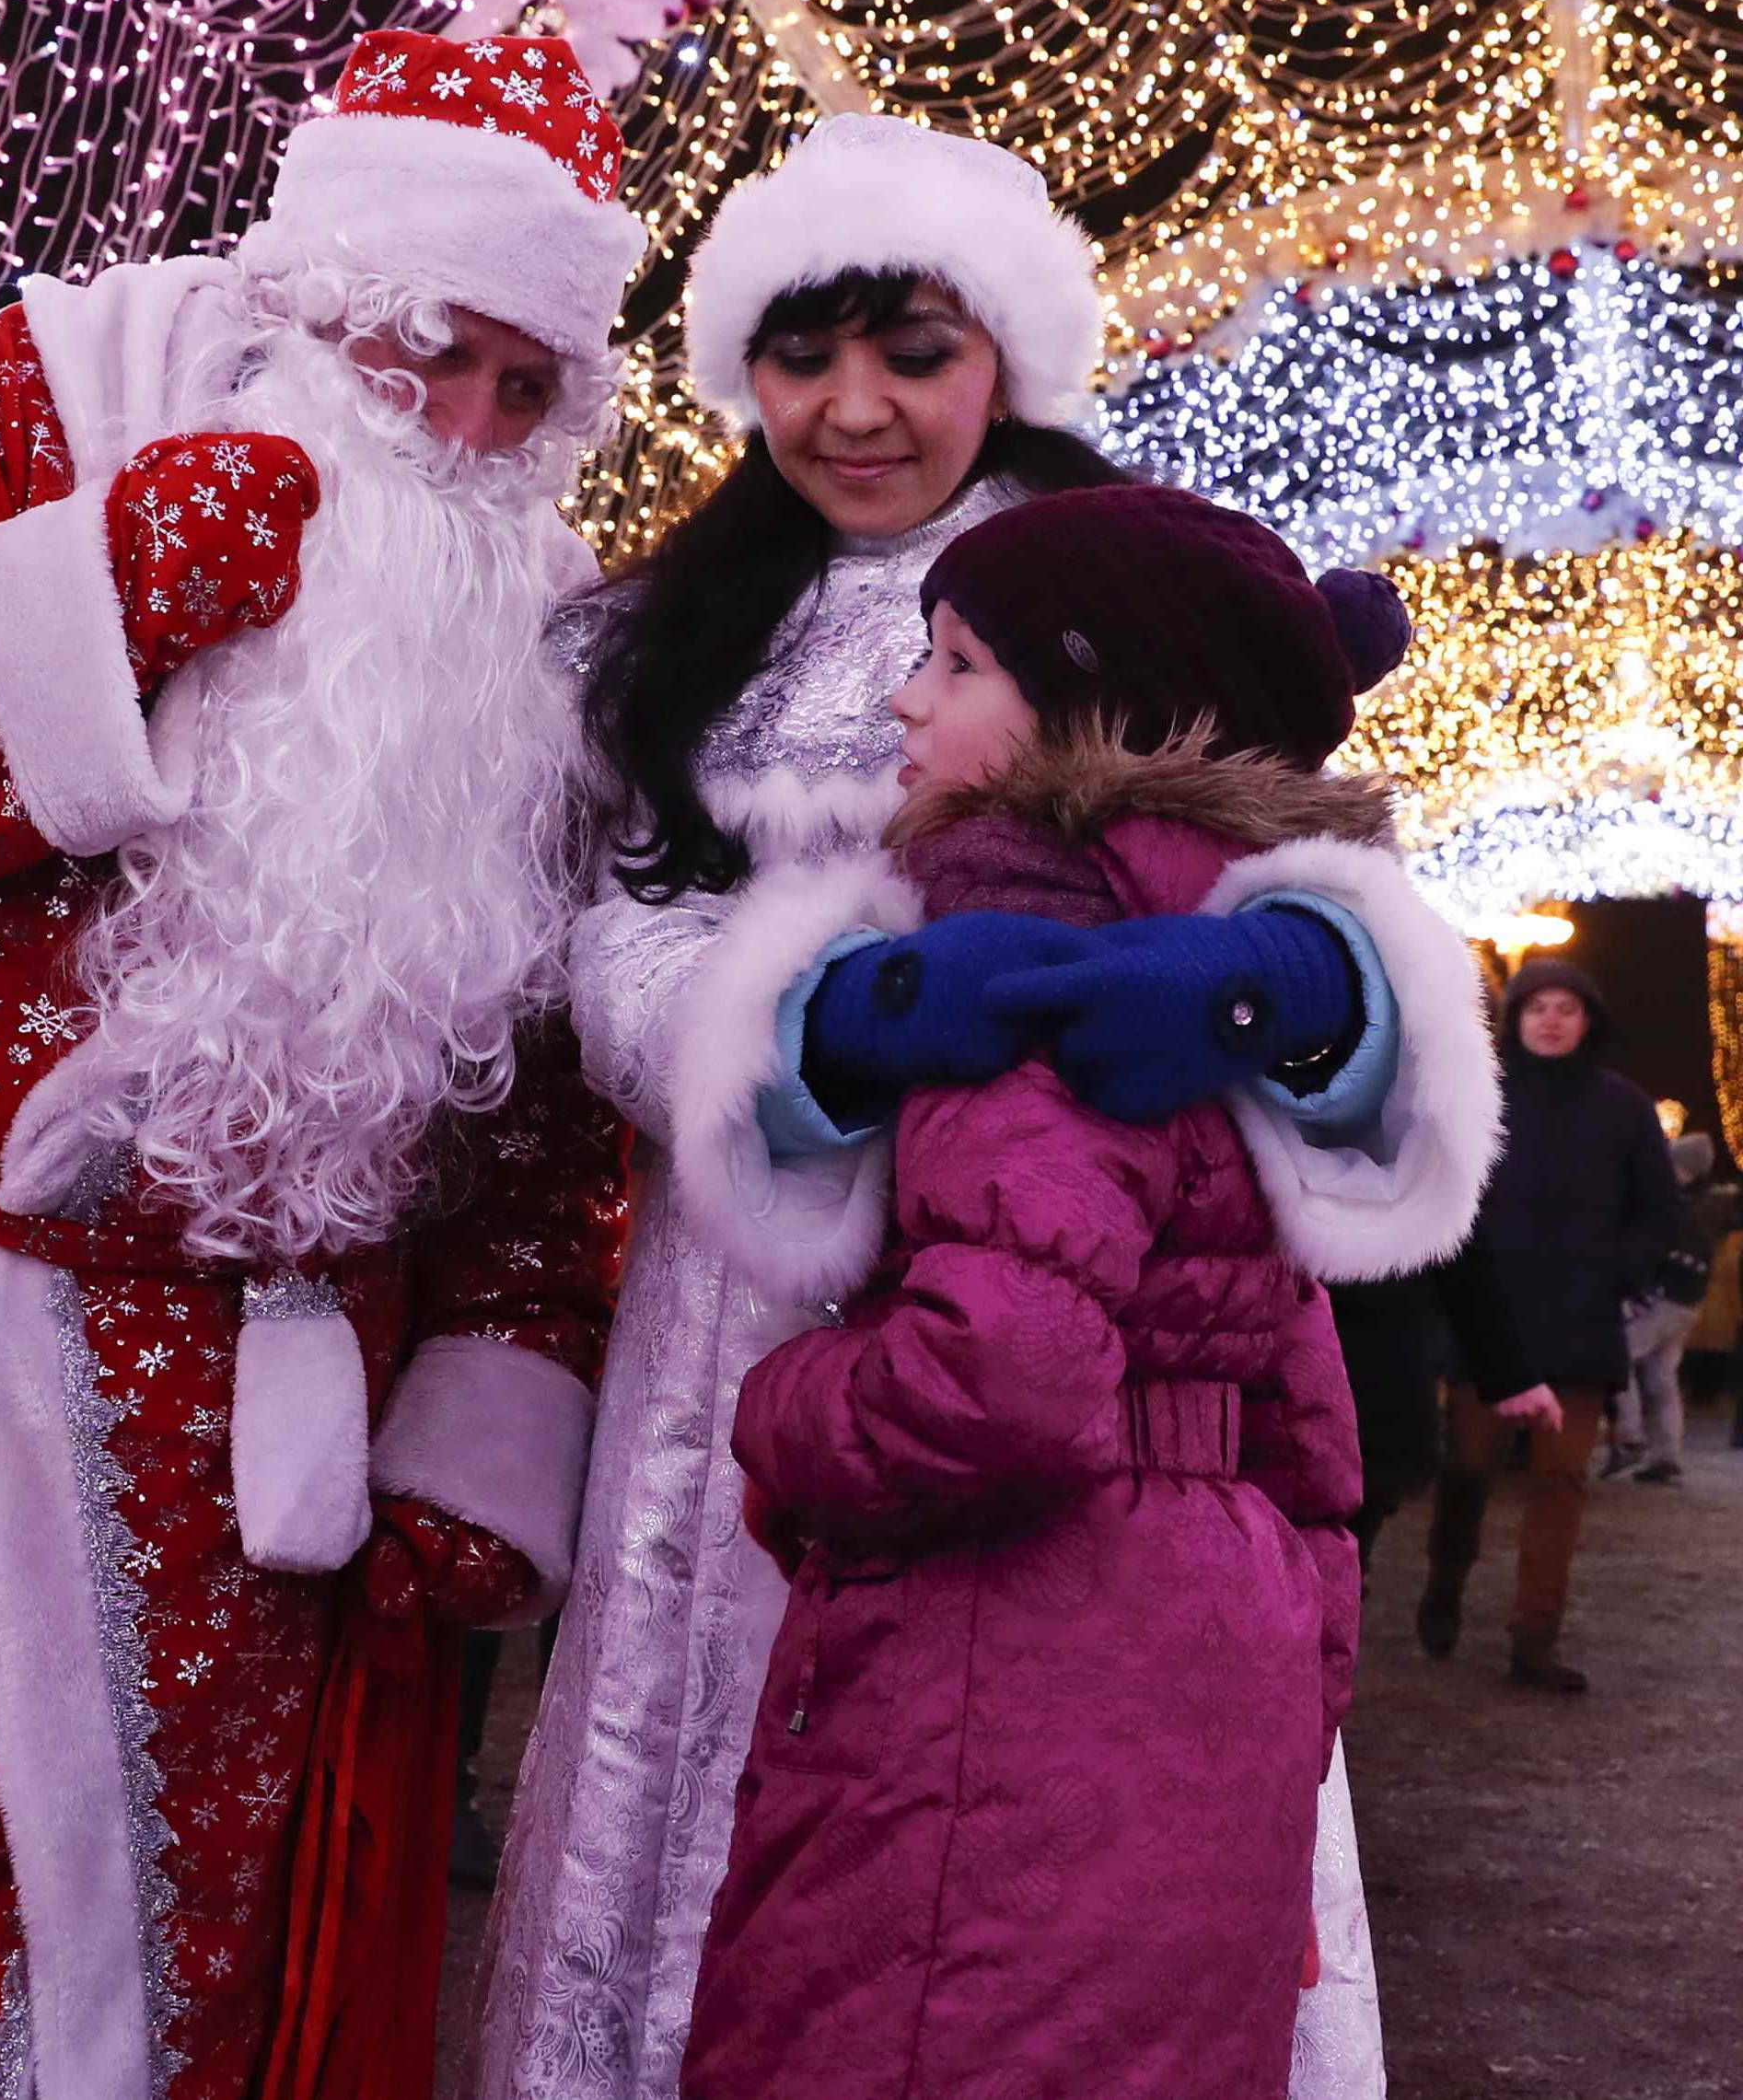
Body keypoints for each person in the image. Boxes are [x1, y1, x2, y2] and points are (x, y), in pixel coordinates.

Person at [472, 113, 1502, 2100]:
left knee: (1045, 1878)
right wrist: (817, 1028)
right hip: (743, 1333)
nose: (853, 410)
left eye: (913, 351)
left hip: (1083, 1338)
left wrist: (1290, 979)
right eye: (801, 355)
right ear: (737, 368)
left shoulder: (1138, 580)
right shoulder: (651, 634)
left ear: (1006, 350)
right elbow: (601, 945)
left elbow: (1325, 902)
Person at [0, 25, 638, 2099]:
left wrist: (499, 1389)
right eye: (428, 350)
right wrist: (98, 602)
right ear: (317, 294)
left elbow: (544, 1087)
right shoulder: (55, 395)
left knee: (250, 1936)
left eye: (527, 389)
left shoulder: (548, 636)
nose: (465, 423)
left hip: (316, 1406)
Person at [678, 483, 1494, 2100]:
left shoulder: (1031, 957)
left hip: (1010, 1672)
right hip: (1207, 1657)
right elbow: (1312, 1430)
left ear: (1086, 705)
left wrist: (777, 1409)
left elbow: (996, 1378)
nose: (905, 699)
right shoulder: (1232, 965)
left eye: (959, 661)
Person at [1416, 957, 1679, 1692]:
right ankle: (1445, 1582)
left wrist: (1612, 1270)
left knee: (1561, 1482)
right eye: (1539, 1007)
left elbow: (1660, 1213)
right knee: (1467, 1470)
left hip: (1579, 1326)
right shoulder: (1482, 1100)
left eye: (1567, 1007)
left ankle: (1534, 1638)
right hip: (1488, 1323)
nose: (1552, 1019)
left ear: (1588, 1019)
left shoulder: (1624, 1108)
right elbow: (1446, 1197)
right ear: (1518, 1019)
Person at [1330, 1236, 1562, 1576]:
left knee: (1334, 1561)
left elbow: (1456, 1247)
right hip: (1354, 1378)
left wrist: (1510, 1376)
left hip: (1363, 1383)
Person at [1605, 1129, 1720, 1484]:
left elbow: (1652, 1248)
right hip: (1688, 1303)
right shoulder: (1705, 1207)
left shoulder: (1672, 1201)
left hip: (1665, 1297)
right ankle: (1666, 1455)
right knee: (1662, 1377)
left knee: (1616, 1356)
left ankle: (1630, 1437)